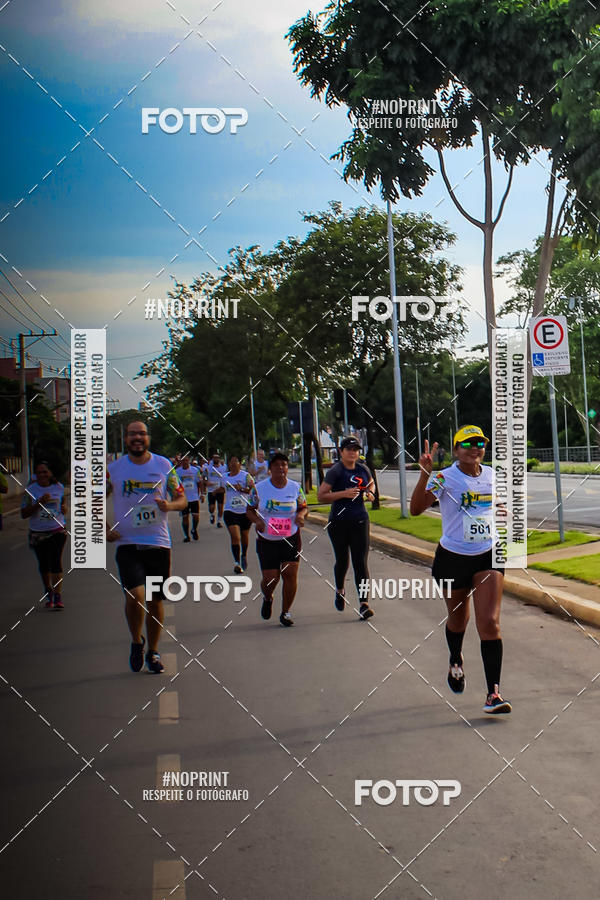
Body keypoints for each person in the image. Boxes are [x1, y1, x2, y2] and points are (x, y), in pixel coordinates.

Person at [410, 426, 510, 715]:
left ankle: (493, 694)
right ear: (455, 450)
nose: (475, 448)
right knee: (458, 620)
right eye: (467, 444)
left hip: (487, 555)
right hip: (453, 558)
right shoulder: (444, 478)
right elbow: (416, 509)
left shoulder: (492, 475)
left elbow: (498, 506)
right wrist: (425, 475)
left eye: (480, 443)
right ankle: (456, 658)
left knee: (489, 622)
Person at [107, 421, 187, 674]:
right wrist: (103, 527)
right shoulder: (113, 470)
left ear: (148, 438)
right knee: (135, 595)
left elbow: (182, 499)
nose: (137, 438)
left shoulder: (164, 466)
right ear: (126, 438)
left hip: (158, 544)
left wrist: (170, 506)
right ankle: (135, 641)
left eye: (141, 433)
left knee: (155, 600)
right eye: (132, 434)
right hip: (127, 543)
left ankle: (153, 650)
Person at [317, 436, 375, 619]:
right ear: (341, 452)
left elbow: (370, 482)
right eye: (349, 449)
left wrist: (370, 492)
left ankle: (364, 603)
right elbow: (321, 496)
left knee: (361, 563)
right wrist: (344, 494)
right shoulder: (336, 471)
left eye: (356, 449)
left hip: (360, 520)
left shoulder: (362, 469)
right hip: (339, 523)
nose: (353, 452)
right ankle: (340, 589)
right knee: (343, 561)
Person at [247, 452, 307, 626]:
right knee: (271, 578)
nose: (280, 468)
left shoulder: (295, 487)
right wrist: (258, 521)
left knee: (290, 574)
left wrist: (301, 516)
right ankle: (267, 597)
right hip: (267, 540)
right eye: (276, 465)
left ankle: (286, 612)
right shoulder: (259, 488)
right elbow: (249, 509)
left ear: (287, 468)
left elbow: (303, 507)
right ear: (270, 469)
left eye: (284, 465)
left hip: (290, 537)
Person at [21, 461, 67, 609]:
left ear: (50, 473)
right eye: (39, 472)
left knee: (55, 561)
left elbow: (63, 506)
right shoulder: (30, 490)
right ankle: (48, 590)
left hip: (57, 530)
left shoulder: (59, 487)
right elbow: (23, 513)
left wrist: (64, 508)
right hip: (38, 533)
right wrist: (38, 503)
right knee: (44, 565)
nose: (42, 475)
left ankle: (58, 595)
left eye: (45, 472)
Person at [222, 456, 255, 573]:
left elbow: (253, 490)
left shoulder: (245, 476)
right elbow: (222, 489)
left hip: (244, 511)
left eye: (236, 462)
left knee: (244, 537)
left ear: (240, 464)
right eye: (231, 462)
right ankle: (236, 563)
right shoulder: (224, 477)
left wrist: (242, 489)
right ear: (229, 464)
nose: (233, 464)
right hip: (230, 511)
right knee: (235, 537)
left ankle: (244, 555)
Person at [175, 455, 202, 542]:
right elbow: (175, 485)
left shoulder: (195, 470)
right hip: (184, 498)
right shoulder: (177, 472)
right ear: (181, 462)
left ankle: (194, 529)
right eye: (183, 461)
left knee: (196, 516)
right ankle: (187, 536)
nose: (185, 462)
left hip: (194, 497)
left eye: (187, 460)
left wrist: (202, 494)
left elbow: (199, 483)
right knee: (185, 518)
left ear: (189, 461)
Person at [203, 452, 227, 527]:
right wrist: (206, 482)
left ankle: (219, 521)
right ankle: (212, 514)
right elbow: (204, 476)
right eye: (214, 457)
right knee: (211, 507)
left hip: (220, 490)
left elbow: (226, 476)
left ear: (219, 459)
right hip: (211, 490)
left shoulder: (223, 467)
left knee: (220, 507)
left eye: (217, 457)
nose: (216, 459)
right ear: (212, 459)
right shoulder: (208, 468)